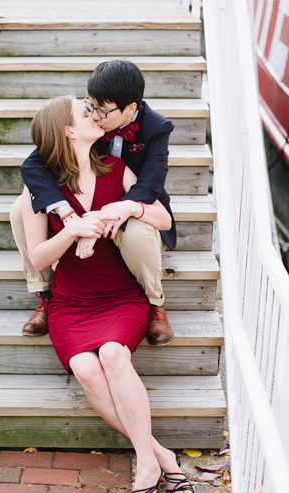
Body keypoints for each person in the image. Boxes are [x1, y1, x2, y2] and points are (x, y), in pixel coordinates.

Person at [20, 96, 194, 493]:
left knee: (114, 355)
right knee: (85, 368)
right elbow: (39, 257)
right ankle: (160, 455)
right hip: (71, 302)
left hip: (118, 294)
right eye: (85, 113)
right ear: (68, 131)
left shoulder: (117, 171)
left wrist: (129, 207)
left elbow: (165, 221)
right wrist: (73, 229)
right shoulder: (39, 190)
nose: (95, 116)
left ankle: (146, 468)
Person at [12, 59, 176, 346]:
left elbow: (150, 184)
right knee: (21, 208)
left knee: (136, 229)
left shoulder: (157, 128)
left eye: (102, 110)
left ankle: (154, 302)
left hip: (131, 201)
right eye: (90, 105)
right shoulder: (88, 123)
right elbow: (33, 165)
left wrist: (117, 212)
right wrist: (68, 216)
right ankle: (46, 293)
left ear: (130, 109)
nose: (94, 115)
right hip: (88, 194)